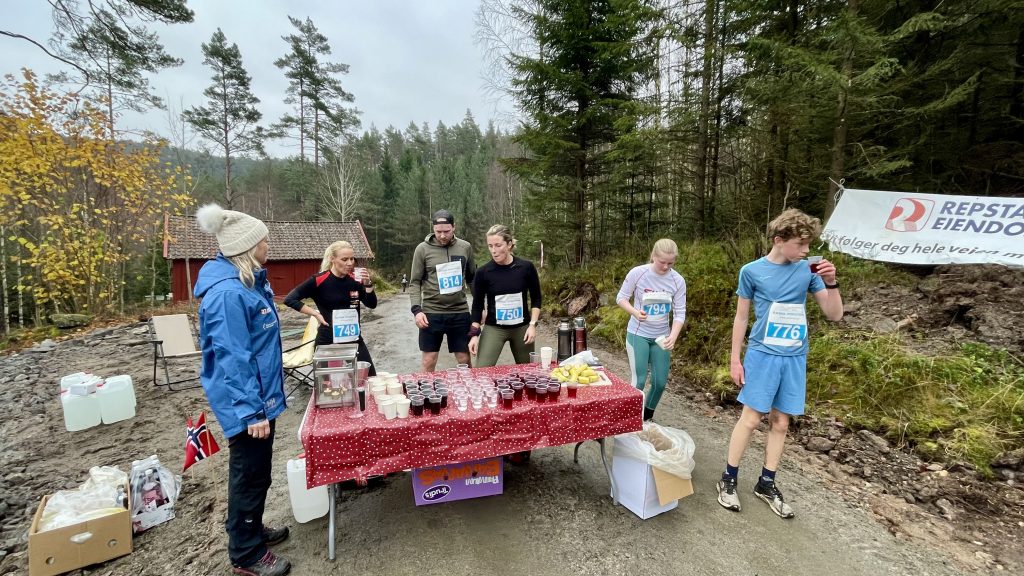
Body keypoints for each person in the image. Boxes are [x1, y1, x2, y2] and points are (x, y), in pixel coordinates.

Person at [716, 208, 843, 519]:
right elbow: (741, 316)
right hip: (762, 354)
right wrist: (735, 359)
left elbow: (834, 314)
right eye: (800, 244)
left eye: (808, 244)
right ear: (778, 240)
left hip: (794, 356)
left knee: (781, 422)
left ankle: (766, 483)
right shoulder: (751, 271)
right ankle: (728, 479)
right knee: (750, 418)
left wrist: (832, 281)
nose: (806, 250)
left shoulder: (808, 270)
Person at [193, 204, 291, 576]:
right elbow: (234, 358)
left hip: (257, 397)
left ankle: (251, 528)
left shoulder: (246, 282)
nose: (268, 244)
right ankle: (246, 554)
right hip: (246, 403)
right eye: (264, 240)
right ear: (248, 247)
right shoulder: (228, 294)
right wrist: (252, 411)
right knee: (248, 474)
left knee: (258, 471)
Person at [615, 239, 687, 422]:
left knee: (660, 382)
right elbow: (621, 298)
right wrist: (634, 312)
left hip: (661, 336)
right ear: (653, 256)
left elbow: (680, 313)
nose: (665, 266)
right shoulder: (638, 273)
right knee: (639, 380)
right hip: (638, 333)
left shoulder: (677, 281)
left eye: (670, 263)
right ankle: (630, 419)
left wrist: (673, 336)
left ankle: (646, 417)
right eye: (662, 262)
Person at [283, 240, 378, 375]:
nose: (350, 263)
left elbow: (371, 304)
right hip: (328, 342)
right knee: (330, 388)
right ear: (332, 259)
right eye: (344, 259)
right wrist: (315, 314)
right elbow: (290, 299)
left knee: (369, 378)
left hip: (354, 339)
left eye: (352, 259)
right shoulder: (319, 280)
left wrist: (368, 284)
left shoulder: (355, 280)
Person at [409, 209, 477, 372]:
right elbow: (415, 282)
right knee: (428, 360)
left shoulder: (465, 247)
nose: (442, 236)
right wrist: (417, 311)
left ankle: (465, 395)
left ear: (454, 227)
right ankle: (425, 395)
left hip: (459, 312)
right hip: (432, 312)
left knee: (464, 360)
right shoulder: (422, 249)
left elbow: (472, 279)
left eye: (446, 231)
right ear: (433, 229)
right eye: (438, 232)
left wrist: (479, 308)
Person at [468, 224, 542, 367]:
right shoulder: (483, 272)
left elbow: (536, 299)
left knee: (527, 372)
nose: (493, 251)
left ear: (509, 244)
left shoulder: (526, 268)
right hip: (495, 328)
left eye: (498, 245)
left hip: (522, 328)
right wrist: (474, 335)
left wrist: (532, 325)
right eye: (490, 246)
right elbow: (477, 305)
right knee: (482, 370)